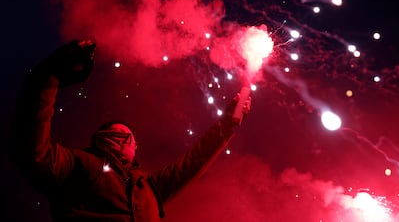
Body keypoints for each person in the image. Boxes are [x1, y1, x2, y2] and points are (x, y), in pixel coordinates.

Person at [9, 39, 251, 221]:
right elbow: (33, 149)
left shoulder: (147, 187)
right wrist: (49, 77)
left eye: (131, 139)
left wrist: (226, 125)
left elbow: (192, 162)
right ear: (101, 140)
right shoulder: (77, 164)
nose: (128, 141)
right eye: (119, 136)